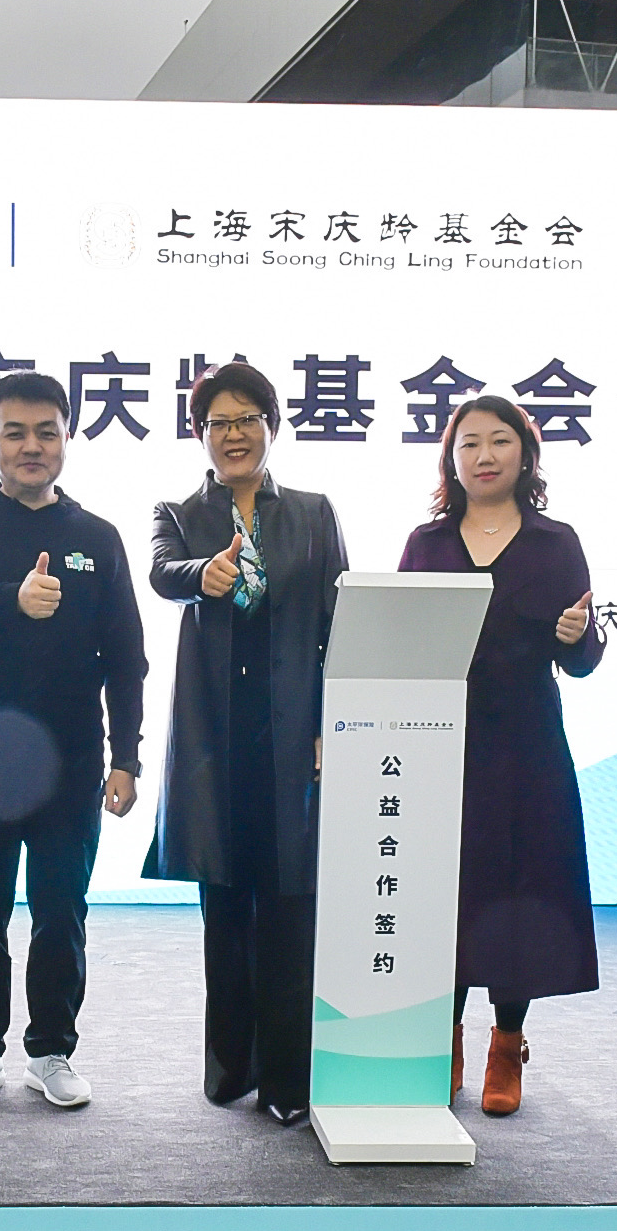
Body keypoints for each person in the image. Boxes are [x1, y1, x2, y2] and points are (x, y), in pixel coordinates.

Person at [0, 371, 147, 1110]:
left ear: (67, 440)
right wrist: (13, 599)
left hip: (71, 761)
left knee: (60, 912)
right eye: (14, 433)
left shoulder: (96, 537)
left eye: (46, 432)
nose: (31, 446)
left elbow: (126, 655)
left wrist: (125, 757)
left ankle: (51, 1050)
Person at [146, 361, 349, 1127]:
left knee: (292, 911)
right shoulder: (178, 511)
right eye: (218, 423)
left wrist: (332, 724)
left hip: (294, 740)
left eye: (247, 420)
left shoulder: (313, 512)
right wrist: (207, 572)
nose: (233, 435)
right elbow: (164, 572)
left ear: (271, 425)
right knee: (226, 911)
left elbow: (338, 624)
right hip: (217, 744)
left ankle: (289, 1081)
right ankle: (232, 1068)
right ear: (200, 434)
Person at [398, 395, 604, 1117]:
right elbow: (397, 643)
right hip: (440, 747)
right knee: (444, 894)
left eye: (499, 441)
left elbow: (582, 661)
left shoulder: (555, 543)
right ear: (451, 460)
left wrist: (578, 635)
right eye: (469, 444)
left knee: (521, 897)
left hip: (526, 747)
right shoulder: (426, 544)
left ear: (525, 453)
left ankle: (507, 1044)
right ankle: (444, 1037)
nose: (484, 456)